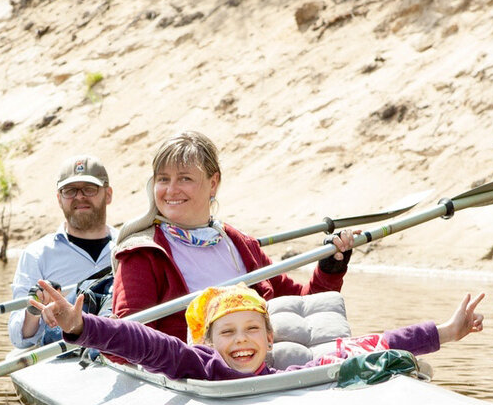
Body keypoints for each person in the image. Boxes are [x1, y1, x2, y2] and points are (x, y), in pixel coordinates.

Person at [111, 131, 357, 341]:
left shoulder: (240, 244)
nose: (171, 190)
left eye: (185, 178)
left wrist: (330, 269)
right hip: (195, 380)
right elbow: (127, 344)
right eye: (163, 179)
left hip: (256, 370)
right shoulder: (141, 254)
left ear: (213, 182)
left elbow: (304, 306)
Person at [31, 280, 486, 382]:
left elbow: (377, 344)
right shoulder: (197, 362)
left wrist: (445, 332)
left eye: (252, 329)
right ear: (209, 340)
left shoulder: (287, 366)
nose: (242, 340)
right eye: (227, 332)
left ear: (271, 339)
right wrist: (79, 327)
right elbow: (143, 342)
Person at [7, 155, 117, 349]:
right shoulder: (36, 254)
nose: (80, 197)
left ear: (108, 194)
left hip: (118, 347)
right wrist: (34, 310)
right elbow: (19, 338)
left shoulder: (127, 246)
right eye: (70, 191)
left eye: (89, 189)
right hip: (62, 354)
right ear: (59, 199)